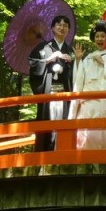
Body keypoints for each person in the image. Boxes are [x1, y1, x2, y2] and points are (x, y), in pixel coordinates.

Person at [70, 19, 106, 150]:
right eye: (97, 36)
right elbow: (79, 79)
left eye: (103, 36)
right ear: (94, 39)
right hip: (88, 102)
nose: (100, 39)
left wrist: (104, 64)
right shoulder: (88, 57)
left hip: (105, 101)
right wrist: (78, 60)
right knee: (88, 133)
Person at [28, 14, 75, 152]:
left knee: (64, 123)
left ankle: (64, 154)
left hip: (65, 94)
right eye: (59, 25)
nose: (62, 27)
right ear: (52, 28)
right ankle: (43, 156)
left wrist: (74, 62)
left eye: (65, 25)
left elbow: (78, 75)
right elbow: (33, 64)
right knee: (47, 124)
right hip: (48, 93)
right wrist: (48, 59)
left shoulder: (71, 50)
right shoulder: (43, 47)